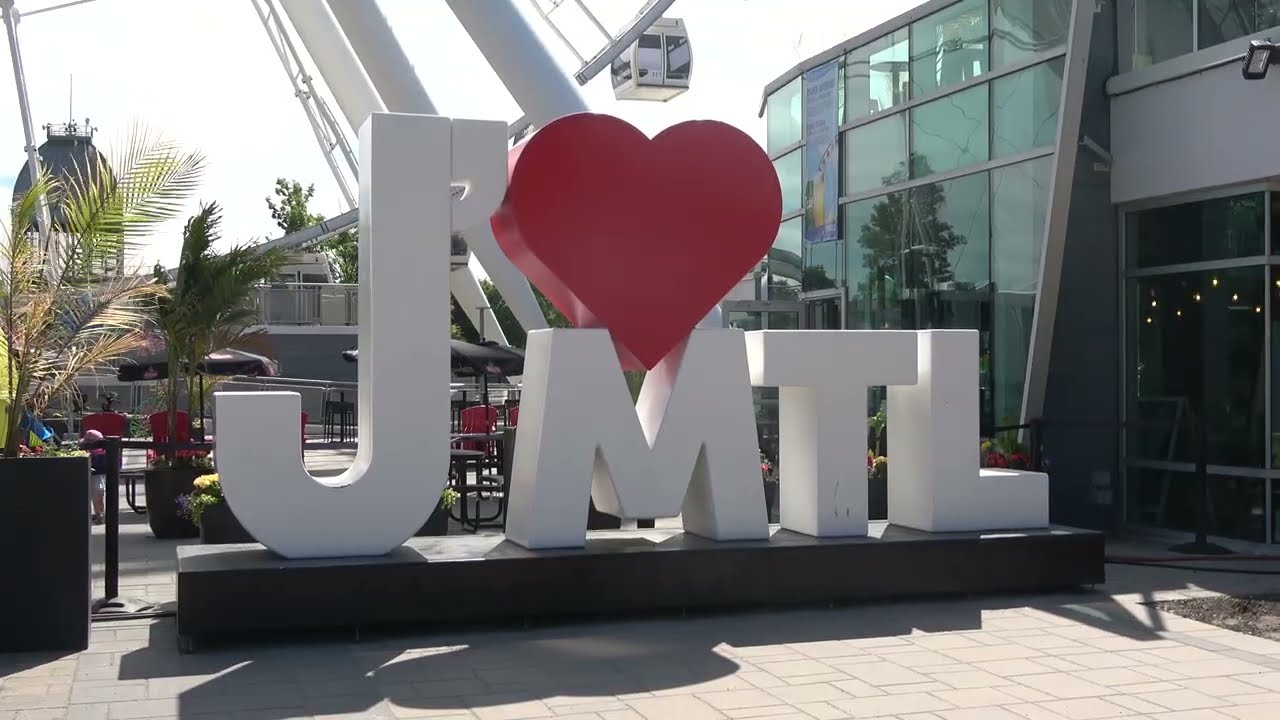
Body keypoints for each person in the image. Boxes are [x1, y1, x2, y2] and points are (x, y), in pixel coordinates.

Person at [81, 429, 107, 525]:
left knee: (97, 495)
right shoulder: (104, 452)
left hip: (96, 475)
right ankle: (100, 514)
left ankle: (99, 514)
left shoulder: (94, 455)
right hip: (99, 475)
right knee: (98, 495)